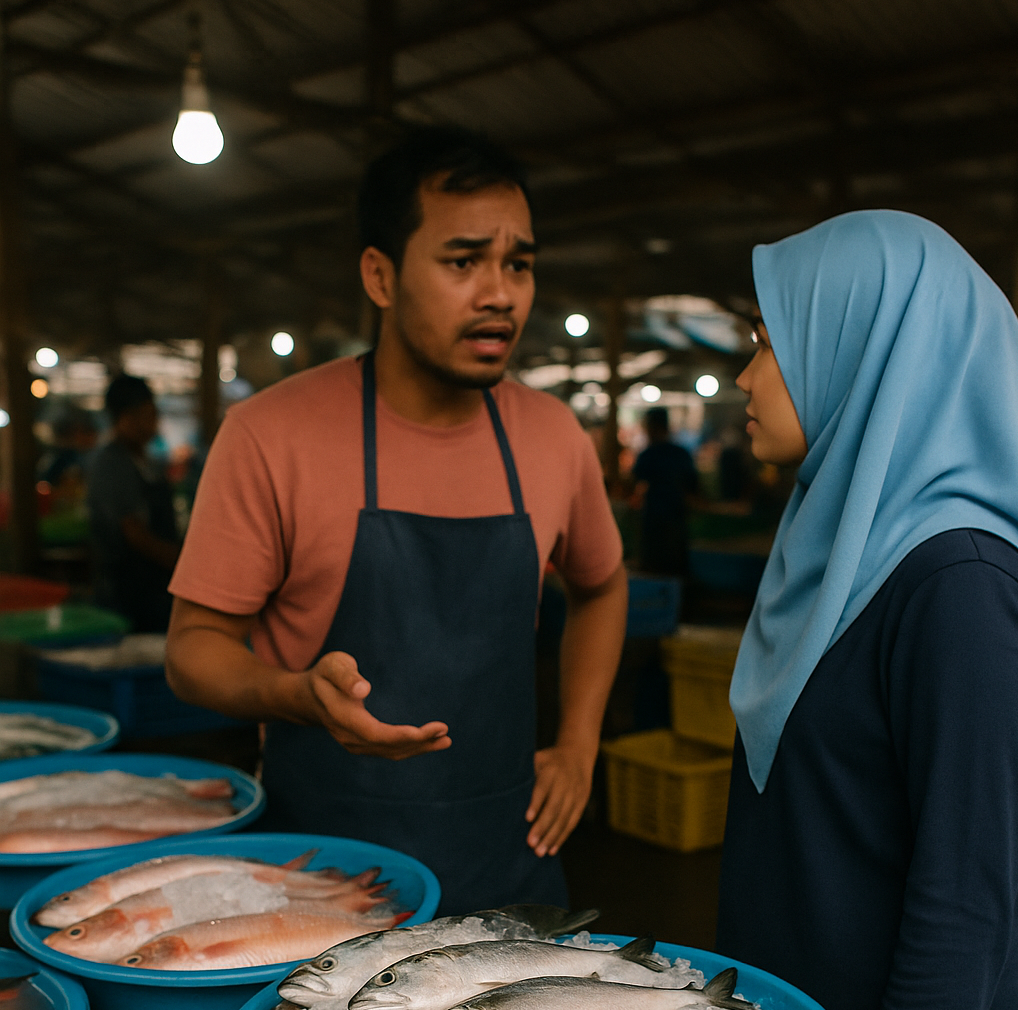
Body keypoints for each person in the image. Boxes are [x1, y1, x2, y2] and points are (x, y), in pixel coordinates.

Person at [165, 127, 627, 914]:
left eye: (518, 264)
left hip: (505, 867)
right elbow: (193, 652)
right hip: (321, 879)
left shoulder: (553, 437)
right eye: (463, 261)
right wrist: (296, 693)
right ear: (380, 276)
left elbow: (604, 587)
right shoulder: (273, 434)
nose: (500, 293)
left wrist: (580, 744)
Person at [716, 209, 1018, 1010]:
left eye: (768, 345)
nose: (744, 377)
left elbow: (967, 893)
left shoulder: (958, 583)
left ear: (865, 350)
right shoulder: (838, 546)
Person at [86, 374, 180, 631]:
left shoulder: (144, 460)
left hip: (154, 591)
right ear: (126, 417)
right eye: (149, 415)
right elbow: (134, 532)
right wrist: (181, 563)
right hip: (127, 596)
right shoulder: (112, 464)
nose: (154, 423)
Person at [632, 406, 698, 575]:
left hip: (654, 518)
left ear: (652, 427)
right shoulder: (681, 453)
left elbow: (636, 484)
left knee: (653, 566)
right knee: (675, 566)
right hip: (677, 517)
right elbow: (693, 486)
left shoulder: (648, 455)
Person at [37, 404, 97, 490]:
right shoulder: (62, 458)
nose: (92, 438)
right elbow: (45, 486)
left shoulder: (88, 456)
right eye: (87, 433)